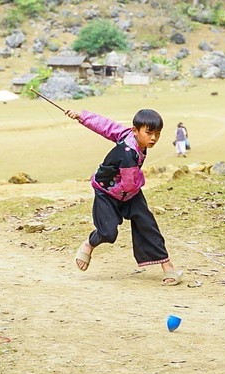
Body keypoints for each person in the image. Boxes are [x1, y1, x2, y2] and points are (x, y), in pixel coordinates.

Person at [63, 107, 183, 286]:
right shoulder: (128, 154)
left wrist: (83, 116)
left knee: (147, 224)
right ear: (135, 130)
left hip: (130, 193)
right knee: (107, 232)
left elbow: (106, 125)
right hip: (107, 192)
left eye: (157, 134)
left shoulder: (129, 135)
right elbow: (129, 181)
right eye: (149, 133)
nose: (153, 138)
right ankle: (89, 244)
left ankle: (168, 266)